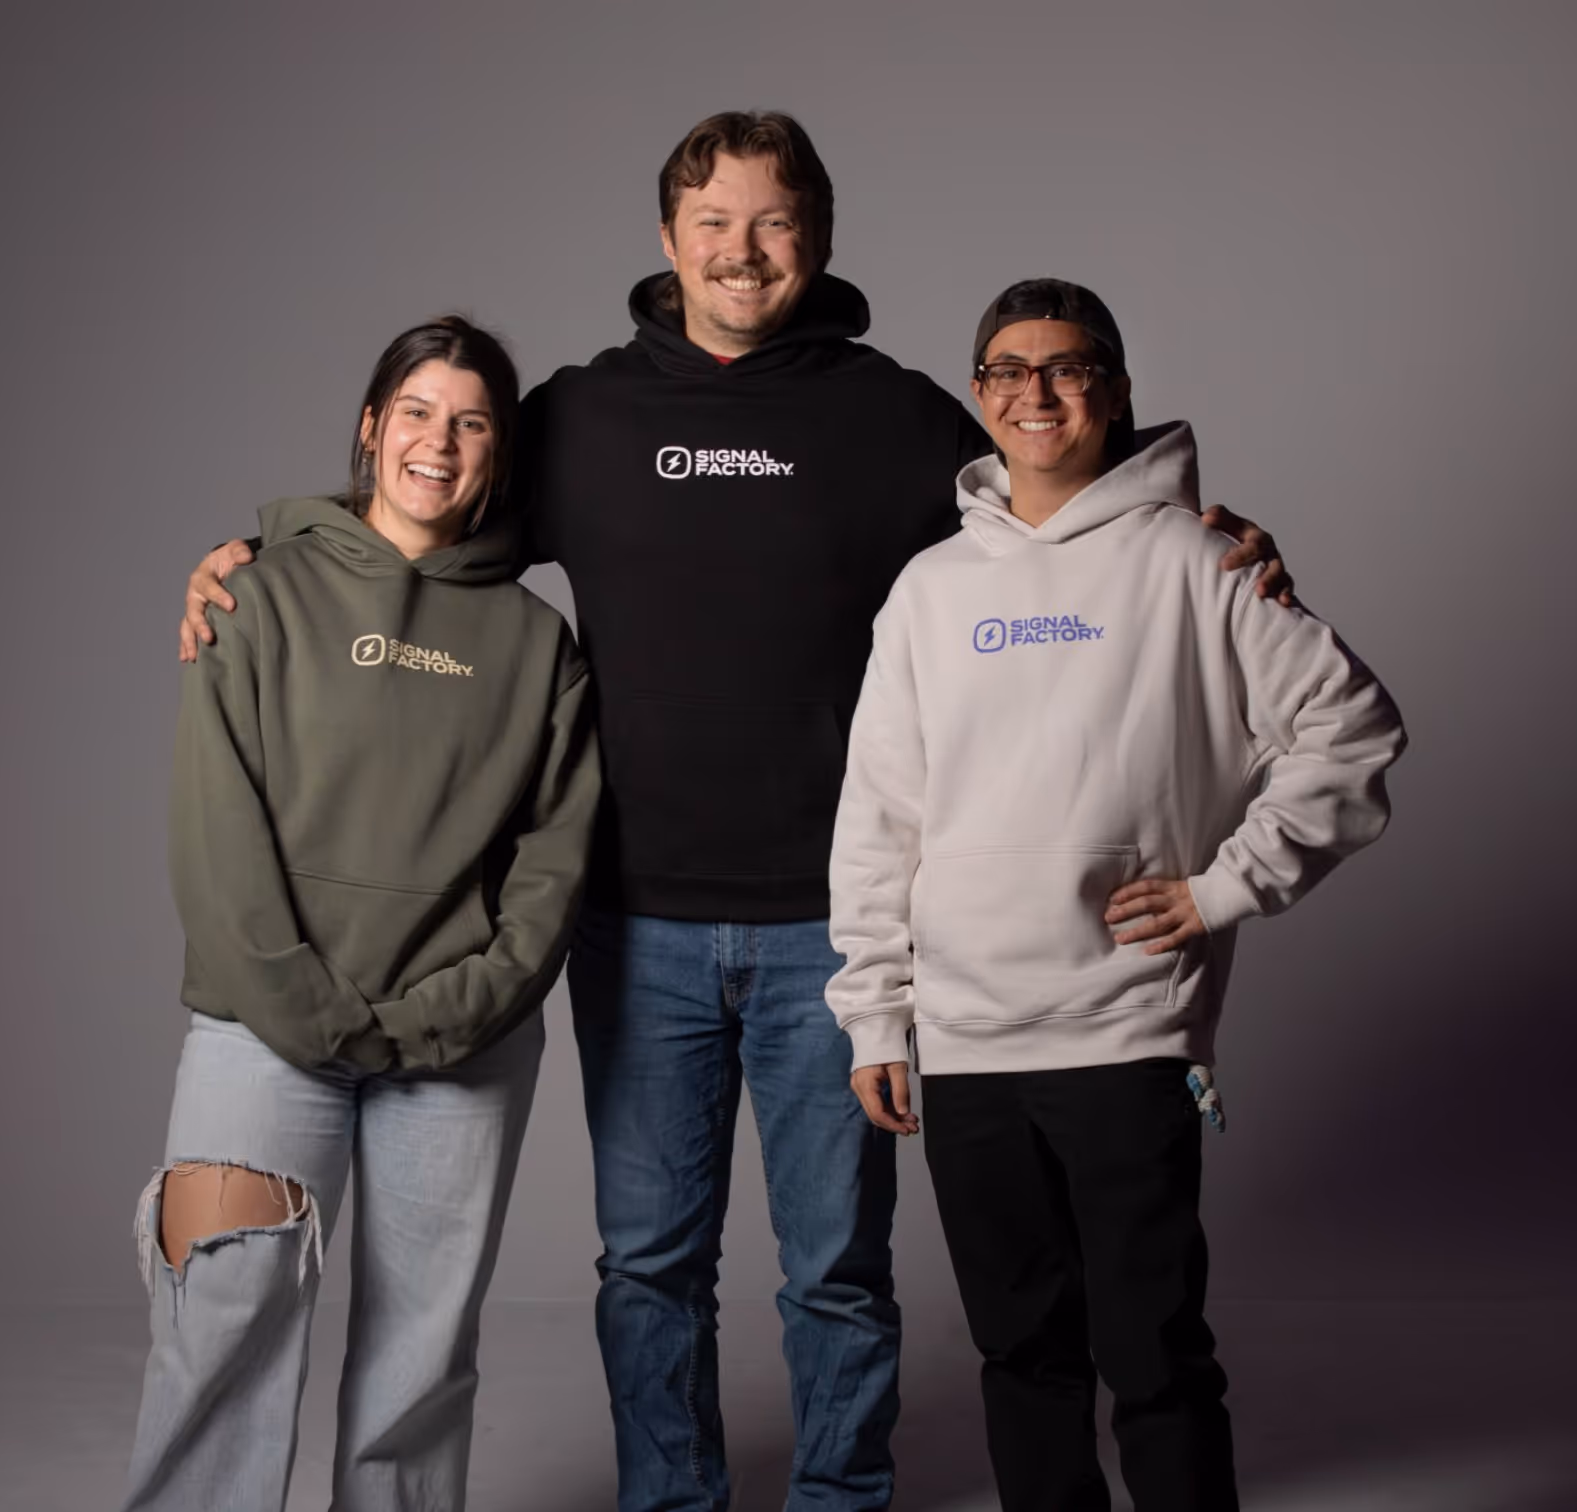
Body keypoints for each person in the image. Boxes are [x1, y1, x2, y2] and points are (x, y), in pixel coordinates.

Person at [178, 116, 1291, 1512]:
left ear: (817, 239)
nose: (742, 250)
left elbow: (1065, 514)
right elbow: (423, 518)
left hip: (839, 933)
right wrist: (273, 551)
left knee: (835, 1272)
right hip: (632, 925)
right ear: (667, 240)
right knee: (648, 1266)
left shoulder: (894, 418)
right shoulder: (580, 416)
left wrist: (1229, 538)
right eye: (714, 222)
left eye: (772, 223)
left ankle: (841, 1500)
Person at [827, 278, 1407, 1512]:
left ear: (1117, 388)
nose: (1037, 393)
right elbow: (880, 816)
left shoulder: (1198, 561)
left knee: (1152, 1355)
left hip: (1128, 1028)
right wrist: (878, 1013)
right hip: (970, 1039)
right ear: (980, 397)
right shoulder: (930, 590)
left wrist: (1224, 887)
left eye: (1068, 366)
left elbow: (1352, 733)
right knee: (1022, 1354)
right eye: (1007, 371)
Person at [123, 316, 601, 1512]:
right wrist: (314, 1010)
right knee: (220, 1329)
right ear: (372, 427)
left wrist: (455, 1012)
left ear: (501, 453)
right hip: (261, 1029)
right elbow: (216, 833)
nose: (440, 442)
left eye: (474, 420)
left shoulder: (540, 646)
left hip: (461, 1047)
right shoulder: (254, 597)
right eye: (419, 413)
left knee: (421, 1363)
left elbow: (554, 865)